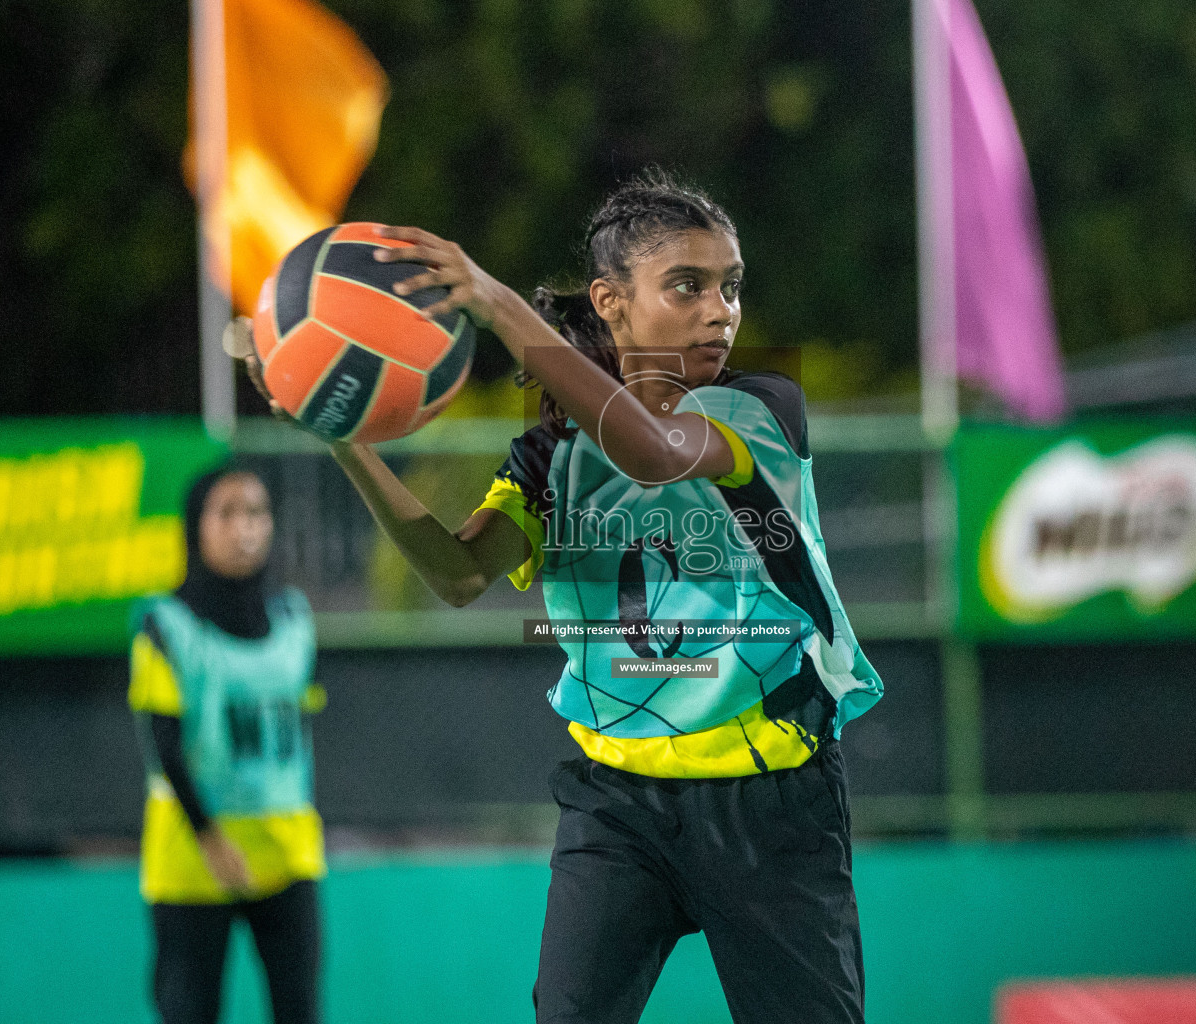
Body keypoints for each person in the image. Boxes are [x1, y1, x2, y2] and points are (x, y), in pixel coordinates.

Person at [239, 169, 883, 1024]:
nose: (719, 310)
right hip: (619, 801)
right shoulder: (552, 461)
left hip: (770, 793)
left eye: (730, 286)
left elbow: (652, 450)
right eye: (687, 286)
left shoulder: (761, 408)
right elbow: (458, 574)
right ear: (610, 302)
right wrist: (343, 440)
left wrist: (500, 307)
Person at [127, 466, 325, 1024]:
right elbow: (163, 744)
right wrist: (211, 838)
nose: (245, 528)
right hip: (195, 859)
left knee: (301, 1011)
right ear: (195, 527)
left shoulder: (294, 620)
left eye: (257, 513)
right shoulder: (165, 625)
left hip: (287, 854)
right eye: (227, 513)